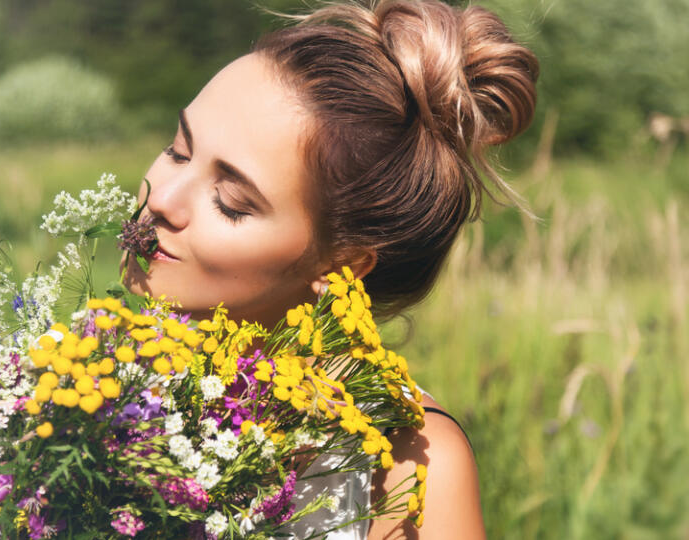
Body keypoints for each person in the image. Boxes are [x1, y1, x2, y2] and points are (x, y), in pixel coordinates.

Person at [124, 0, 538, 537]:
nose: (163, 200)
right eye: (178, 151)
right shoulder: (85, 377)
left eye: (230, 200)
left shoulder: (404, 460)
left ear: (341, 262)